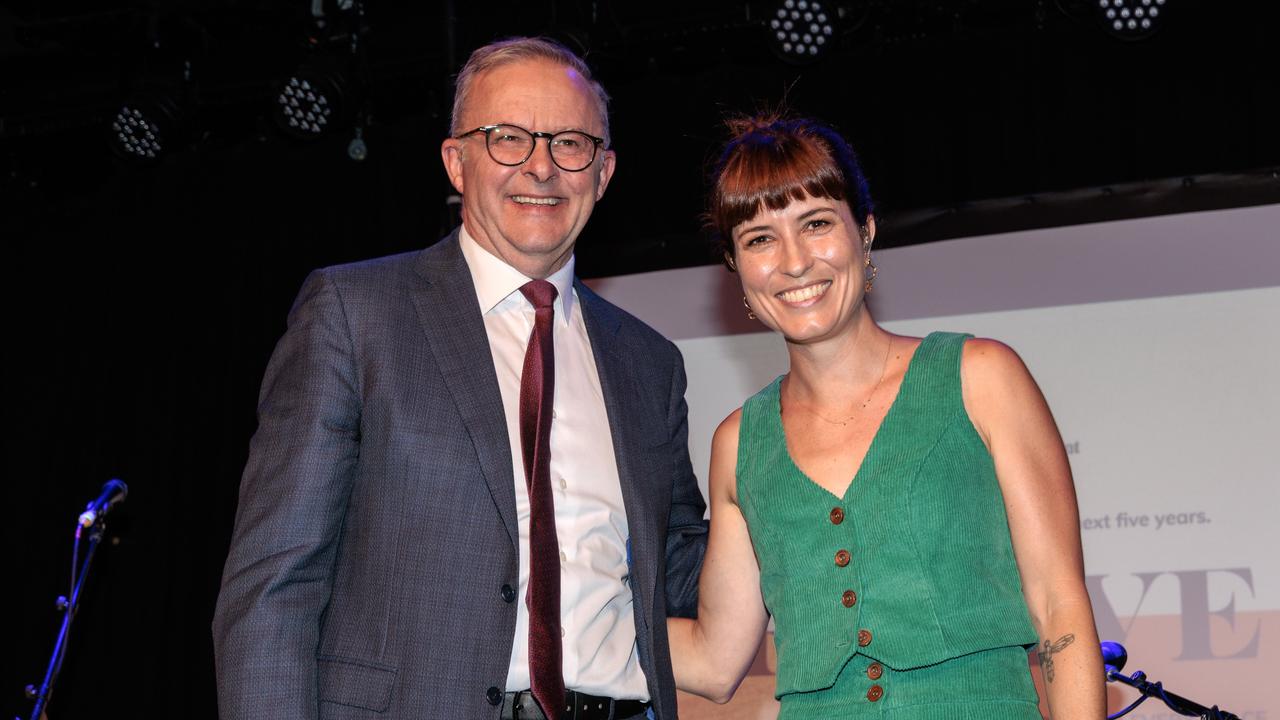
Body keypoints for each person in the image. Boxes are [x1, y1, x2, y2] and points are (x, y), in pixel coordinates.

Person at [213, 37, 707, 720]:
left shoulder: (650, 363)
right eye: (507, 138)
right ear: (456, 161)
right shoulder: (356, 316)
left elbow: (682, 571)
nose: (541, 168)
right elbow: (273, 585)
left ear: (604, 171)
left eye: (570, 144)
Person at [667, 115, 1105, 719]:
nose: (793, 262)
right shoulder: (739, 443)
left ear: (865, 234)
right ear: (737, 269)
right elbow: (714, 663)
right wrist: (564, 614)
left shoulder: (980, 377)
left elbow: (1059, 608)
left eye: (816, 224)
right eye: (760, 239)